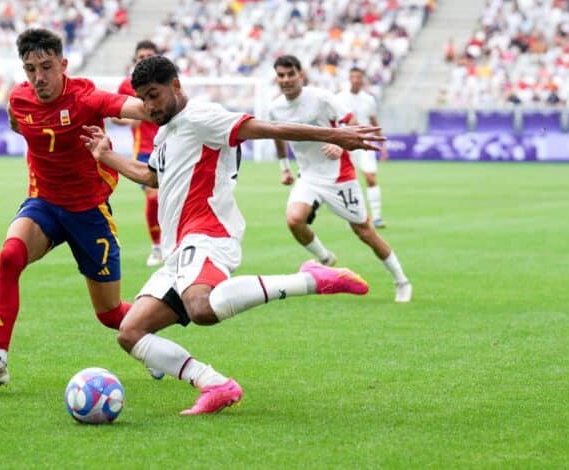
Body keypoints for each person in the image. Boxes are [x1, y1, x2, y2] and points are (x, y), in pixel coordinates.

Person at [79, 55, 382, 415]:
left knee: (201, 308)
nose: (149, 106)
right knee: (130, 333)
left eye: (155, 95)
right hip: (179, 250)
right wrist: (105, 156)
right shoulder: (166, 131)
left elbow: (269, 128)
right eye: (143, 98)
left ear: (176, 86)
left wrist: (336, 135)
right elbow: (151, 177)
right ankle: (215, 384)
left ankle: (310, 279)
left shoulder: (203, 117)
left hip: (208, 233)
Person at [0, 28, 152, 387]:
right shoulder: (18, 100)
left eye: (46, 67)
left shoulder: (86, 96)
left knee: (111, 315)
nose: (38, 77)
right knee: (9, 257)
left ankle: (152, 336)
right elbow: (17, 122)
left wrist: (170, 107)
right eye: (30, 69)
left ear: (63, 65)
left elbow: (135, 109)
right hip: (45, 205)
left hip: (89, 212)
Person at [268, 55, 411, 303]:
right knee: (294, 220)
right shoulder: (275, 107)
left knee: (365, 232)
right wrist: (284, 167)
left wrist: (341, 145)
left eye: (291, 74)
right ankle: (325, 259)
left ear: (301, 75)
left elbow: (354, 124)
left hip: (338, 176)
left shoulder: (321, 98)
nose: (286, 80)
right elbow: (278, 136)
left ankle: (401, 281)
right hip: (309, 176)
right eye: (281, 75)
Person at [112, 40, 162, 266]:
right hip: (144, 150)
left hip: (171, 147)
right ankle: (157, 247)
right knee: (154, 195)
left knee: (174, 200)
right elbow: (113, 114)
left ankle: (175, 243)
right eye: (141, 57)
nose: (144, 60)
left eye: (149, 56)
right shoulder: (126, 85)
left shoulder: (167, 83)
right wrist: (127, 120)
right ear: (135, 60)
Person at [336, 67, 388, 228]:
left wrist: (382, 146)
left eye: (358, 77)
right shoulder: (339, 98)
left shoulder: (369, 100)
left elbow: (374, 122)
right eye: (353, 77)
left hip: (365, 144)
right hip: (345, 144)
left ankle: (377, 217)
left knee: (371, 178)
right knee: (347, 182)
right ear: (349, 79)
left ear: (363, 79)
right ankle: (352, 217)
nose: (355, 80)